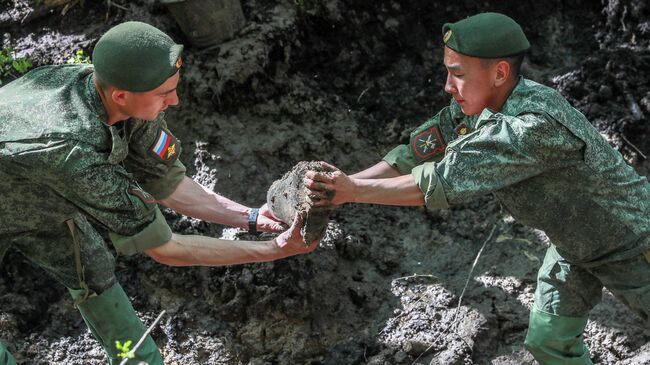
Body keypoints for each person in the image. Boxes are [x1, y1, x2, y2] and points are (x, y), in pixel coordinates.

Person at [304, 12, 650, 365]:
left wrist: (350, 190)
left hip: (632, 242)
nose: (447, 86)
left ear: (499, 73)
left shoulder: (530, 127)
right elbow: (415, 153)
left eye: (457, 74)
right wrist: (341, 185)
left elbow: (436, 184)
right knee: (549, 342)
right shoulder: (475, 107)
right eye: (447, 72)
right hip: (573, 244)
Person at [0, 21, 318, 365]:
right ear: (121, 95)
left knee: (92, 268)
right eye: (164, 94)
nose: (176, 100)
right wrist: (273, 250)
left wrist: (253, 218)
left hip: (28, 191)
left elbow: (167, 182)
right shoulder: (74, 155)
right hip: (27, 177)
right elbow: (165, 248)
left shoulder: (120, 90)